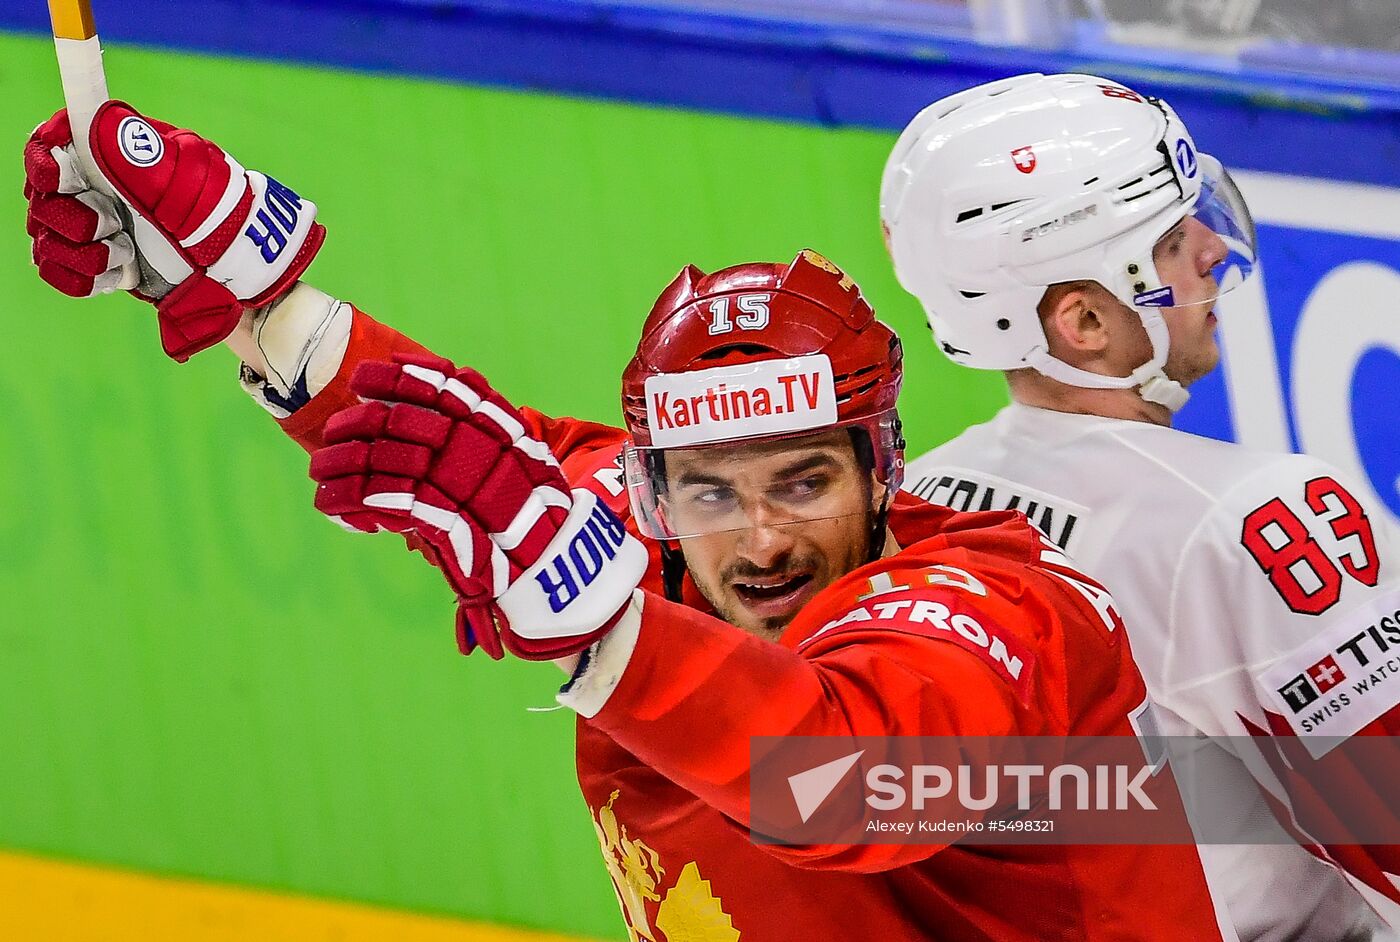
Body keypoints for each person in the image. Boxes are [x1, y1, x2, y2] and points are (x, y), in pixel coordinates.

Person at [24, 101, 1236, 941]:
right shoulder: (634, 533)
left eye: (802, 482)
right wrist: (242, 290)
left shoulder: (1000, 610)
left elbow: (838, 782)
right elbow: (444, 436)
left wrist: (597, 626)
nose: (758, 541)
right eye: (707, 489)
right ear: (654, 491)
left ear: (883, 469)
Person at [882, 71, 1400, 941]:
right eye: (1168, 240)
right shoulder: (1251, 521)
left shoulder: (911, 502)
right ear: (1084, 322)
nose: (1210, 248)